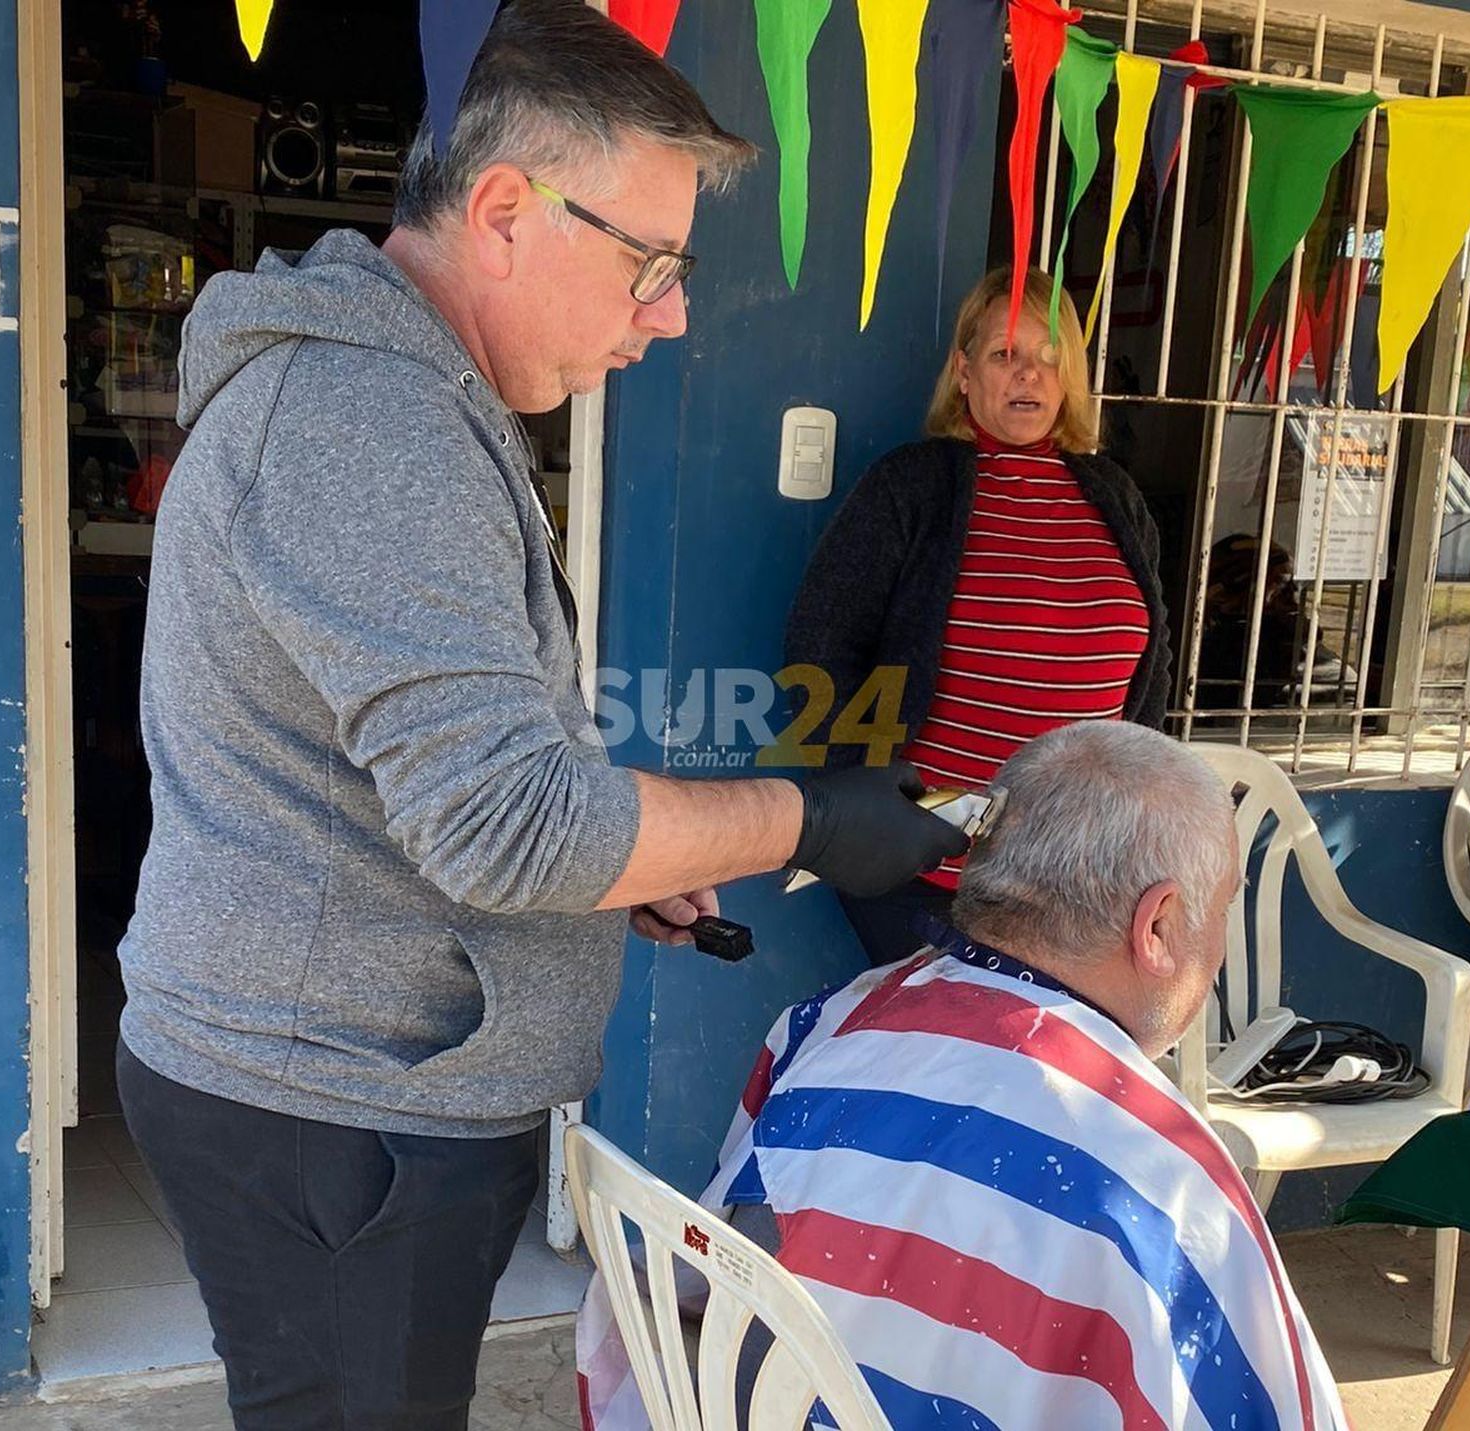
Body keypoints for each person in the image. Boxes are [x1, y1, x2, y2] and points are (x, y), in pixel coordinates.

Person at [114, 4, 966, 1427]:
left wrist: (621, 860)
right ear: (504, 208)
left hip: (351, 1090)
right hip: (337, 1112)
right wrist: (811, 816)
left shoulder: (403, 398)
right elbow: (512, 824)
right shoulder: (366, 418)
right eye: (655, 264)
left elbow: (459, 782)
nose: (677, 311)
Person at [578, 722, 1350, 1431]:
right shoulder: (1167, 1186)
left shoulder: (823, 1026)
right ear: (1156, 925)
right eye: (1221, 908)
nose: (1216, 950)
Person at [785, 265, 1173, 967]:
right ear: (964, 372)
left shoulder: (1114, 497)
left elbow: (1154, 671)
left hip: (1079, 878)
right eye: (1005, 354)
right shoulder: (912, 486)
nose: (1029, 375)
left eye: (1049, 357)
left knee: (1047, 1071)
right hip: (929, 882)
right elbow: (820, 648)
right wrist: (866, 804)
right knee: (947, 1067)